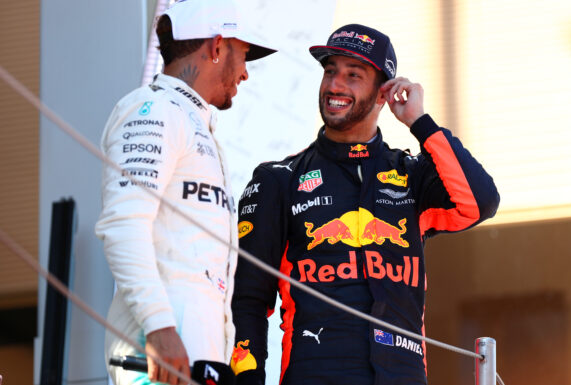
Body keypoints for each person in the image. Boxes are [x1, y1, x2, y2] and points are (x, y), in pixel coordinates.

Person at [230, 24, 499, 385]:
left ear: (382, 93)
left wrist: (420, 123)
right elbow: (248, 301)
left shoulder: (412, 176)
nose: (335, 85)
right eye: (330, 72)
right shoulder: (278, 179)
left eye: (353, 75)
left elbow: (479, 202)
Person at [95, 0, 276, 384]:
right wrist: (160, 327)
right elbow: (123, 224)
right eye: (244, 55)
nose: (245, 73)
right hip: (158, 342)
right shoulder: (152, 109)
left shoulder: (192, 121)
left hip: (193, 344)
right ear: (216, 47)